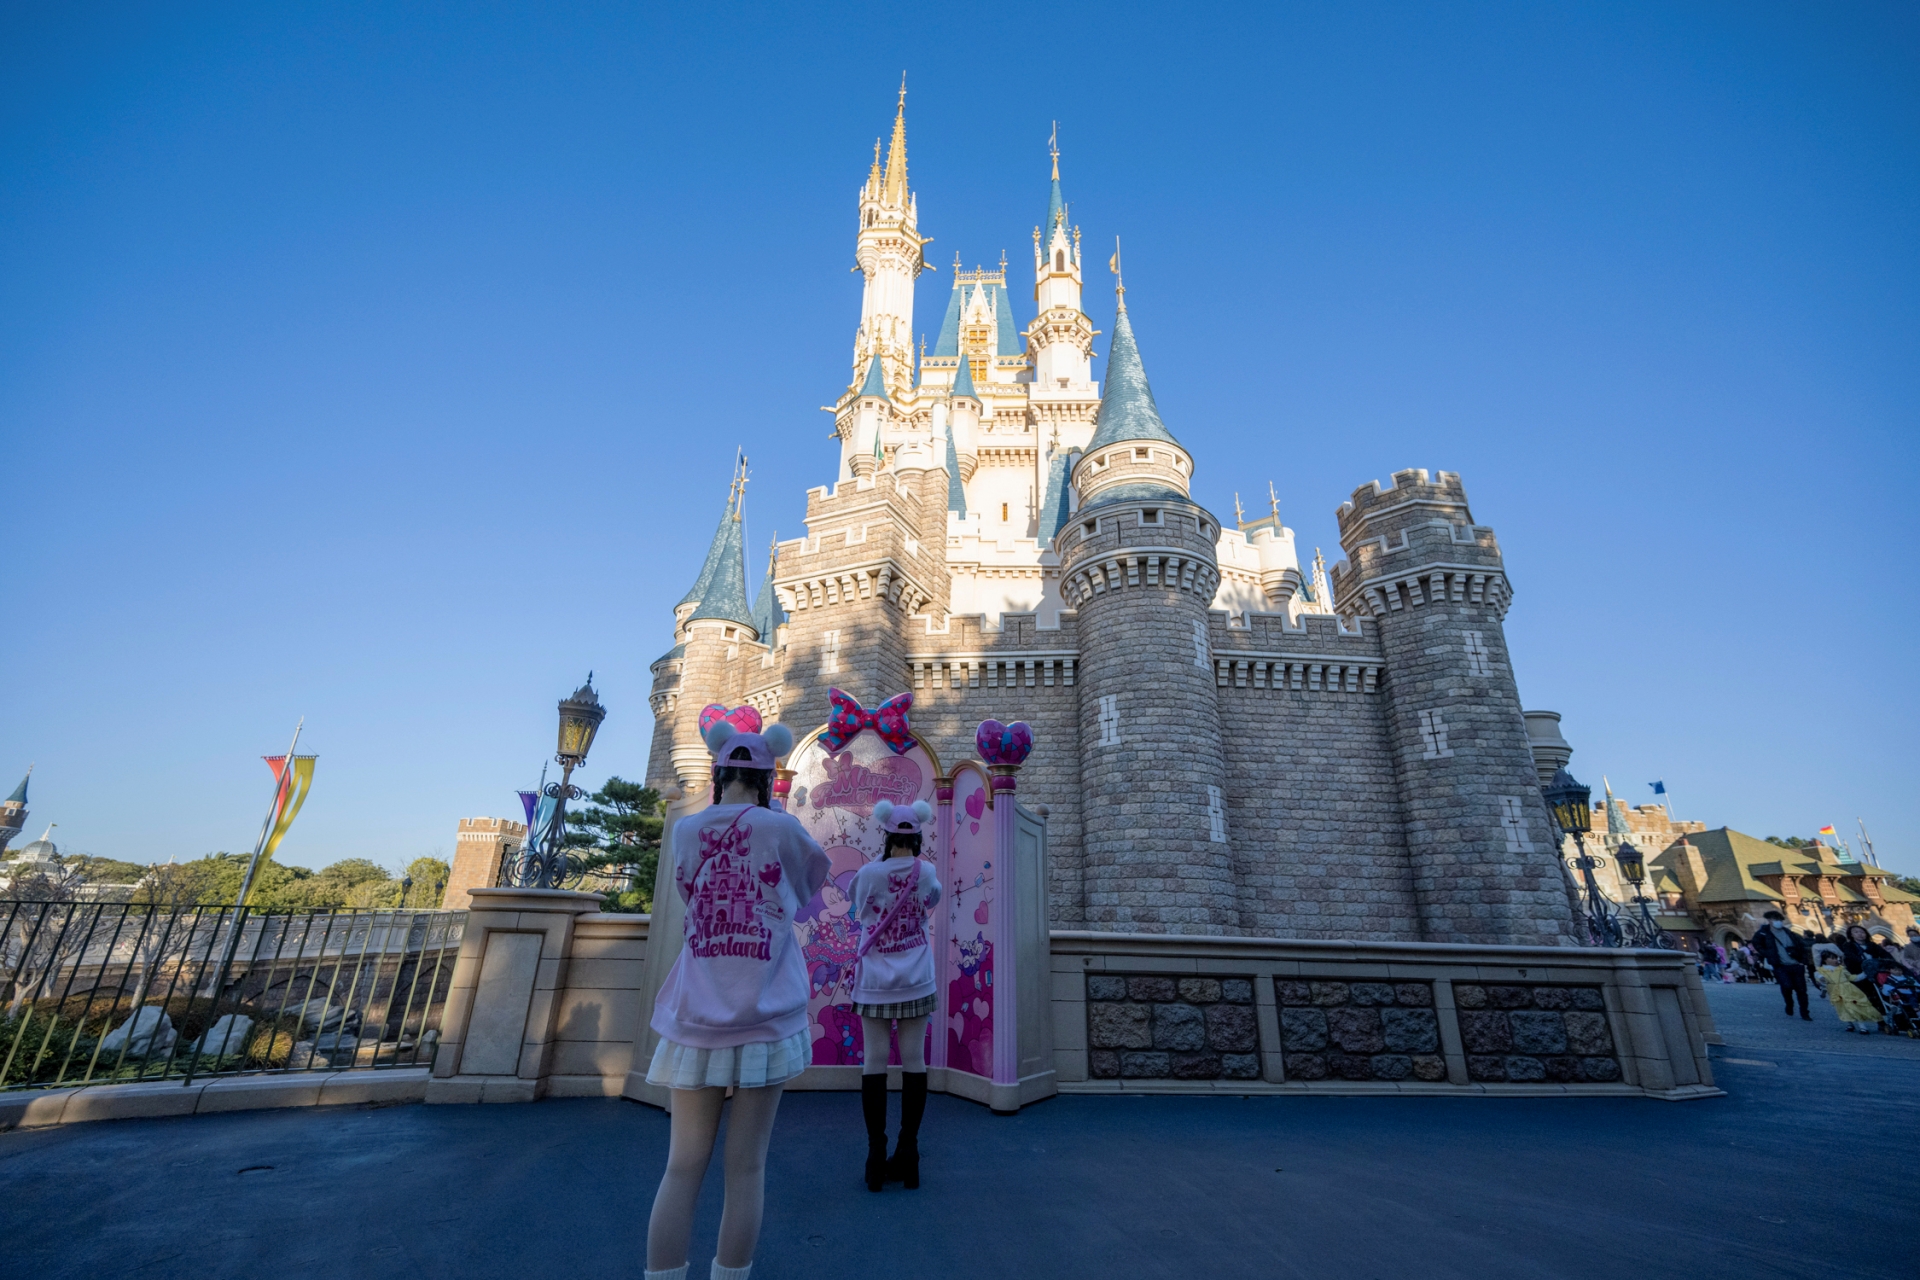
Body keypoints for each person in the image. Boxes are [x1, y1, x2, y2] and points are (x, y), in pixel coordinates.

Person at [643, 715, 830, 1280]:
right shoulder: (783, 831)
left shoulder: (686, 831)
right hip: (767, 1013)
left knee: (682, 1166)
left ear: (720, 771)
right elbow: (811, 882)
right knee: (746, 1168)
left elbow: (685, 893)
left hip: (696, 1011)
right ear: (771, 777)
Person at [851, 798, 943, 1192]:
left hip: (875, 979)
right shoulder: (928, 872)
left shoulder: (869, 873)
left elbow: (858, 910)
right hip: (917, 977)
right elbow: (933, 902)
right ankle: (909, 1151)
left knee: (874, 1061)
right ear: (918, 835)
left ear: (887, 835)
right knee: (914, 1062)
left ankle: (875, 1154)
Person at [1750, 911, 1812, 1019]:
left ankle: (1805, 1012)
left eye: (1779, 920)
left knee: (1801, 990)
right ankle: (1789, 1004)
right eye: (1775, 920)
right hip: (1780, 965)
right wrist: (1767, 953)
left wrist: (1802, 960)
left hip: (1796, 964)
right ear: (1769, 920)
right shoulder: (1763, 933)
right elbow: (1756, 943)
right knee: (1786, 986)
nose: (1778, 922)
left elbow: (1801, 946)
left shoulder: (1789, 932)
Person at [1813, 944, 1881, 1032]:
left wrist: (1864, 974)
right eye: (1832, 958)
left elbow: (1851, 977)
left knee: (1853, 1007)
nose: (1835, 960)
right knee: (1842, 1007)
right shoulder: (1821, 970)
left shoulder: (1841, 969)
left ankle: (1862, 1026)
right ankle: (1850, 1024)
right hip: (1835, 992)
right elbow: (1819, 978)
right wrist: (1821, 980)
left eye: (1836, 958)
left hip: (1848, 990)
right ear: (1825, 960)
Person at [1838, 924, 1893, 1027]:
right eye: (1856, 932)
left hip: (1875, 972)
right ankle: (1876, 1019)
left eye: (1862, 932)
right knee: (1867, 997)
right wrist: (1863, 963)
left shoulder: (1872, 945)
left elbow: (1885, 955)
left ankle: (1885, 1017)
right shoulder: (1848, 946)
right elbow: (1851, 957)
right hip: (1858, 973)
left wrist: (1889, 962)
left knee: (1880, 995)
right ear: (1851, 935)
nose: (1860, 934)